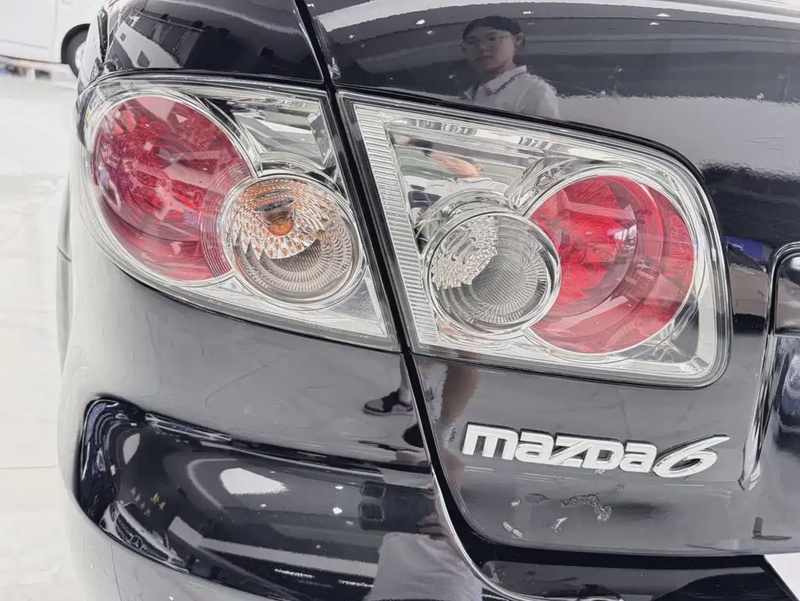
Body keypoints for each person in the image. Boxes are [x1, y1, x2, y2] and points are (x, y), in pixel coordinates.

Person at [461, 16, 560, 119]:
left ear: (517, 39)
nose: (481, 47)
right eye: (472, 42)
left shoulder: (533, 90)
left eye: (492, 39)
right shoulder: (466, 92)